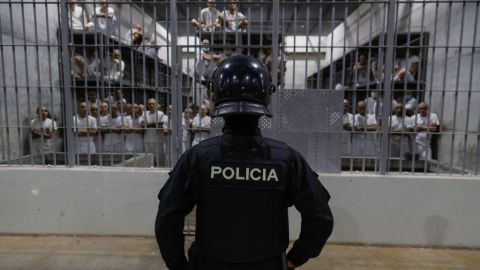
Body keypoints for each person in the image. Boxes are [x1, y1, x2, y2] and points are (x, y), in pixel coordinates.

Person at [155, 55, 333, 270]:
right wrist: (295, 258)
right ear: (266, 97)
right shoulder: (287, 159)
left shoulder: (197, 158)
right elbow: (321, 219)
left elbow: (167, 220)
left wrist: (179, 266)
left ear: (216, 96)